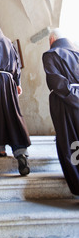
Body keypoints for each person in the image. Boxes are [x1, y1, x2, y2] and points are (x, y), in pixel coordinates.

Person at [0, 17, 31, 175]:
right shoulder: (9, 42)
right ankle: (17, 152)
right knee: (11, 116)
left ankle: (1, 148)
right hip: (8, 82)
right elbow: (17, 64)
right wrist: (18, 83)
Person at [42, 28, 79, 195]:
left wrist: (74, 99)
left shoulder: (51, 54)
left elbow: (57, 83)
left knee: (70, 144)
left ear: (52, 39)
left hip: (66, 104)